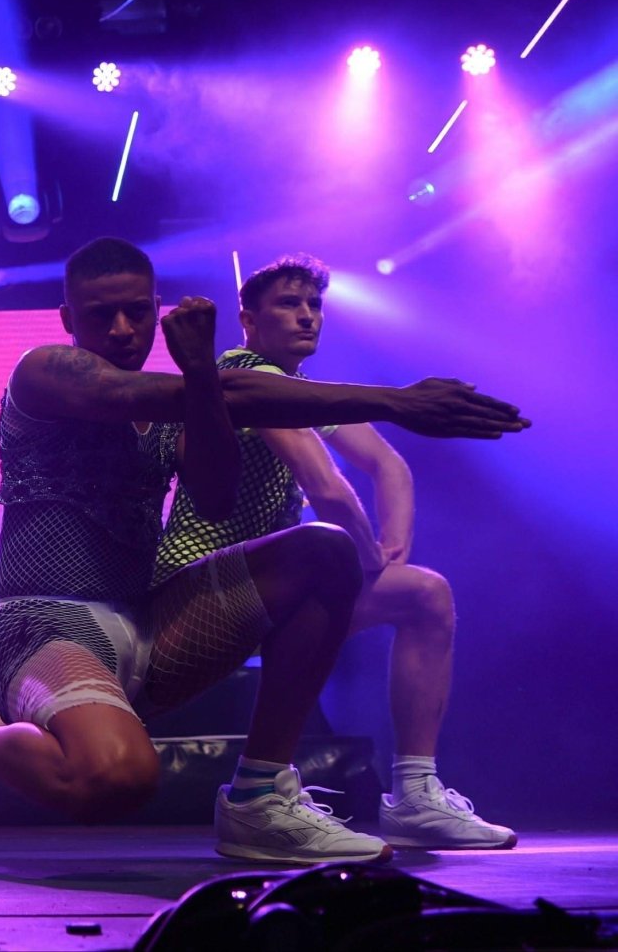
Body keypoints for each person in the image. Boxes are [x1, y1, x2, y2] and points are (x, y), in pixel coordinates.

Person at [0, 237, 529, 869]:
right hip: (43, 625)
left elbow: (214, 493)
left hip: (151, 624)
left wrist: (203, 376)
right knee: (117, 777)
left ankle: (260, 799)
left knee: (325, 553)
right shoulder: (45, 372)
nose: (121, 328)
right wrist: (395, 400)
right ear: (68, 319)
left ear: (156, 309)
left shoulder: (174, 402)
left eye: (136, 312)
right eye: (101, 314)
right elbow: (192, 394)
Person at [156, 255, 514, 849]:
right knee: (379, 573)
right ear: (248, 320)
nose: (307, 315)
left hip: (269, 589)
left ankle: (416, 796)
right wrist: (370, 560)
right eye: (288, 304)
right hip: (201, 591)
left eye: (314, 304)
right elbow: (326, 488)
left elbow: (389, 466)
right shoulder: (242, 372)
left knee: (425, 595)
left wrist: (391, 547)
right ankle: (261, 796)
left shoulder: (300, 390)